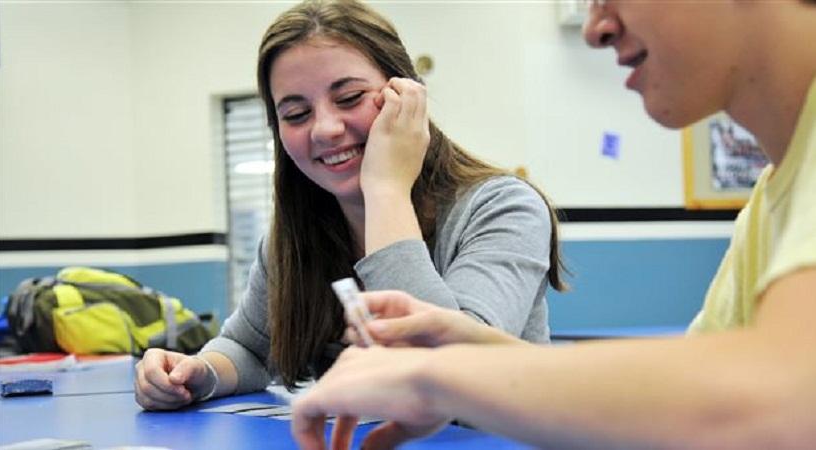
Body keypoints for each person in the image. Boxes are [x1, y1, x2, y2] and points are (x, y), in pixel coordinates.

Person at [291, 0, 816, 448]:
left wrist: (436, 378)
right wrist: (470, 347)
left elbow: (784, 404)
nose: (594, 27)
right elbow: (694, 392)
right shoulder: (772, 199)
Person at [133, 0, 566, 411]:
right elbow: (249, 347)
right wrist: (198, 373)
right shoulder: (294, 236)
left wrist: (386, 190)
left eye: (349, 98)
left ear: (407, 95)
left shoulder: (503, 207)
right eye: (297, 114)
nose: (325, 128)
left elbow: (449, 372)